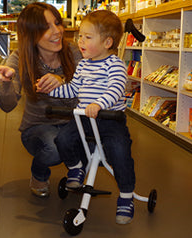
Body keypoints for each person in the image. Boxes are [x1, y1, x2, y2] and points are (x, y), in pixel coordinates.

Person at [37, 10, 136, 225]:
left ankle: (127, 196)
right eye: (80, 35)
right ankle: (76, 167)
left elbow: (117, 89)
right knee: (63, 138)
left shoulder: (115, 65)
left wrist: (99, 104)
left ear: (107, 42)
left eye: (87, 37)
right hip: (84, 119)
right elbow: (73, 89)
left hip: (110, 120)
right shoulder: (82, 65)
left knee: (120, 153)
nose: (79, 41)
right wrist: (52, 91)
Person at [0, 2, 82, 198]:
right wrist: (6, 81)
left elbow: (85, 99)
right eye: (46, 27)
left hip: (73, 124)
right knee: (54, 148)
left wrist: (62, 85)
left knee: (96, 147)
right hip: (37, 128)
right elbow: (7, 106)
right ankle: (39, 173)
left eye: (57, 23)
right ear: (31, 33)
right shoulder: (20, 57)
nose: (57, 31)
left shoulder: (73, 53)